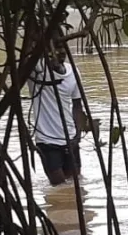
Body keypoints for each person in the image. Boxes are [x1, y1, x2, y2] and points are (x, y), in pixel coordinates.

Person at [28, 44, 89, 186]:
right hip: (47, 140)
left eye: (62, 47)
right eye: (53, 48)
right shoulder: (36, 70)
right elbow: (27, 50)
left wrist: (78, 135)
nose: (59, 52)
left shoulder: (73, 71)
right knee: (59, 186)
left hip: (70, 138)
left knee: (75, 185)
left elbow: (77, 106)